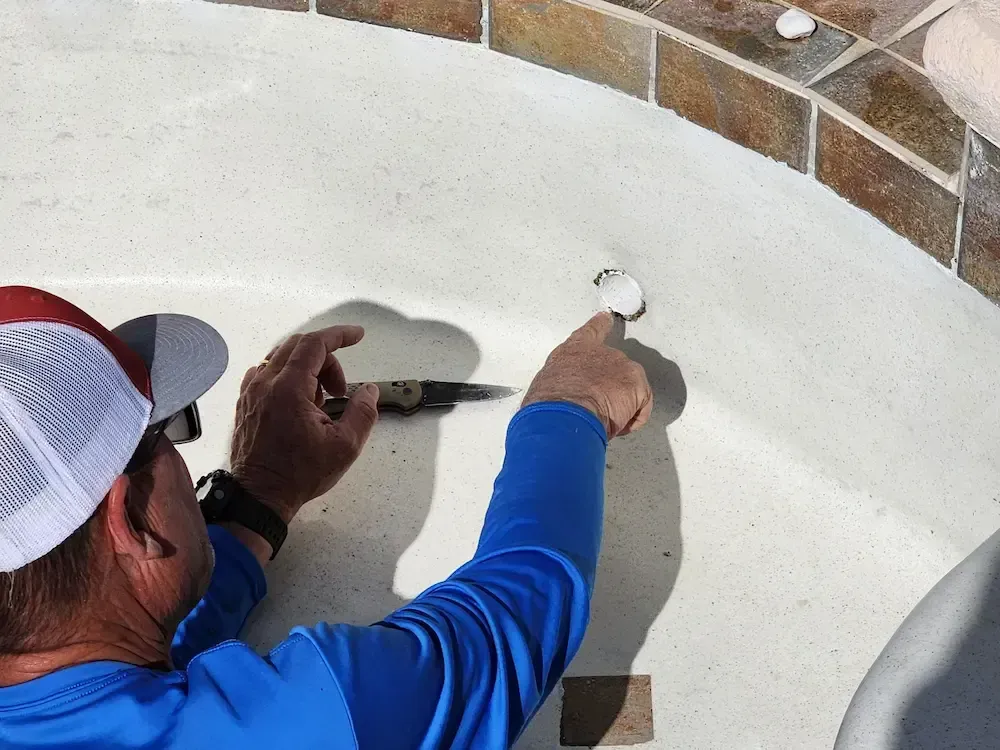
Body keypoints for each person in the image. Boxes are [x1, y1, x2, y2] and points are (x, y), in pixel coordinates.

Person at [0, 285, 652, 749]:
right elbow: (517, 614)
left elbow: (113, 668)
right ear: (130, 521)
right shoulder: (311, 723)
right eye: (168, 429)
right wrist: (570, 406)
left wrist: (262, 493)